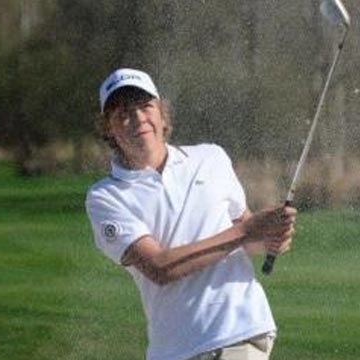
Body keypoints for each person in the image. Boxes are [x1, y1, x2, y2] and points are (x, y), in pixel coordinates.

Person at [85, 68, 296, 360]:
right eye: (122, 112)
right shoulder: (106, 196)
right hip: (175, 350)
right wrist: (249, 232)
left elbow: (245, 237)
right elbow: (160, 268)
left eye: (146, 106)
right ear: (108, 128)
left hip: (237, 333)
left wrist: (269, 238)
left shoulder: (211, 157)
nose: (137, 118)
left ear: (162, 114)